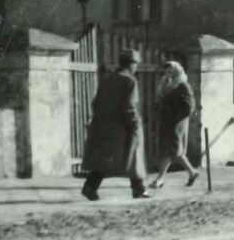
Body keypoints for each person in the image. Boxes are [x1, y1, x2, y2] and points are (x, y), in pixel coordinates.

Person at [81, 49, 149, 201]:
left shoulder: (108, 79)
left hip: (103, 126)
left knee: (104, 159)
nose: (136, 67)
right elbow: (129, 107)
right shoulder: (130, 81)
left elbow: (96, 102)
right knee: (134, 155)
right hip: (122, 127)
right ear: (132, 65)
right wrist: (135, 124)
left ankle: (90, 187)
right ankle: (138, 189)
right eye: (135, 64)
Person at [150, 61, 198, 189]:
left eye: (171, 71)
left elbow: (189, 106)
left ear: (177, 72)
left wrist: (175, 116)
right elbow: (160, 99)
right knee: (174, 151)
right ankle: (192, 172)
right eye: (167, 71)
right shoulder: (167, 84)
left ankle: (160, 179)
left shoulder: (183, 86)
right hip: (168, 122)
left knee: (171, 150)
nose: (168, 73)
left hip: (177, 123)